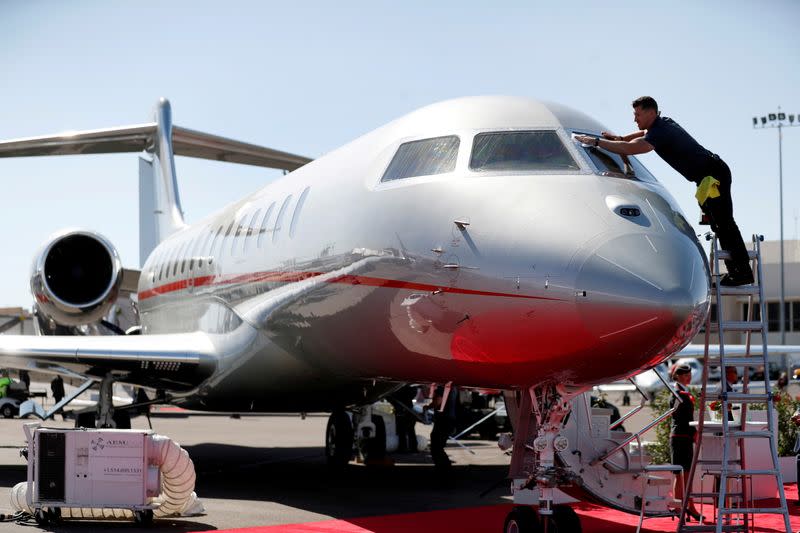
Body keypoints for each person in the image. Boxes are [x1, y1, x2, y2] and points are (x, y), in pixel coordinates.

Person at [575, 97, 753, 286]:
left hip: (713, 175)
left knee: (725, 224)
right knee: (719, 225)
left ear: (651, 112)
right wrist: (620, 138)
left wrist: (597, 142)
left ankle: (742, 273)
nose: (635, 119)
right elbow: (642, 133)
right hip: (708, 176)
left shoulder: (660, 132)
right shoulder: (663, 123)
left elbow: (632, 148)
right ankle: (737, 271)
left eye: (638, 114)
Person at [669, 364, 703, 521]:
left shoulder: (682, 392)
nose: (688, 376)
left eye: (689, 374)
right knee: (680, 474)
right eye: (684, 374)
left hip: (684, 436)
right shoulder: (677, 393)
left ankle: (689, 507)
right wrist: (693, 431)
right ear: (677, 376)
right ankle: (679, 508)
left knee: (687, 474)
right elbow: (681, 417)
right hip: (680, 436)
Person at [425, 384, 457, 470]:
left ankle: (443, 467)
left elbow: (438, 401)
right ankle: (444, 467)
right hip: (449, 420)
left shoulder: (442, 387)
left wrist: (428, 407)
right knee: (439, 446)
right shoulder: (453, 388)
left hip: (443, 420)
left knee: (436, 447)